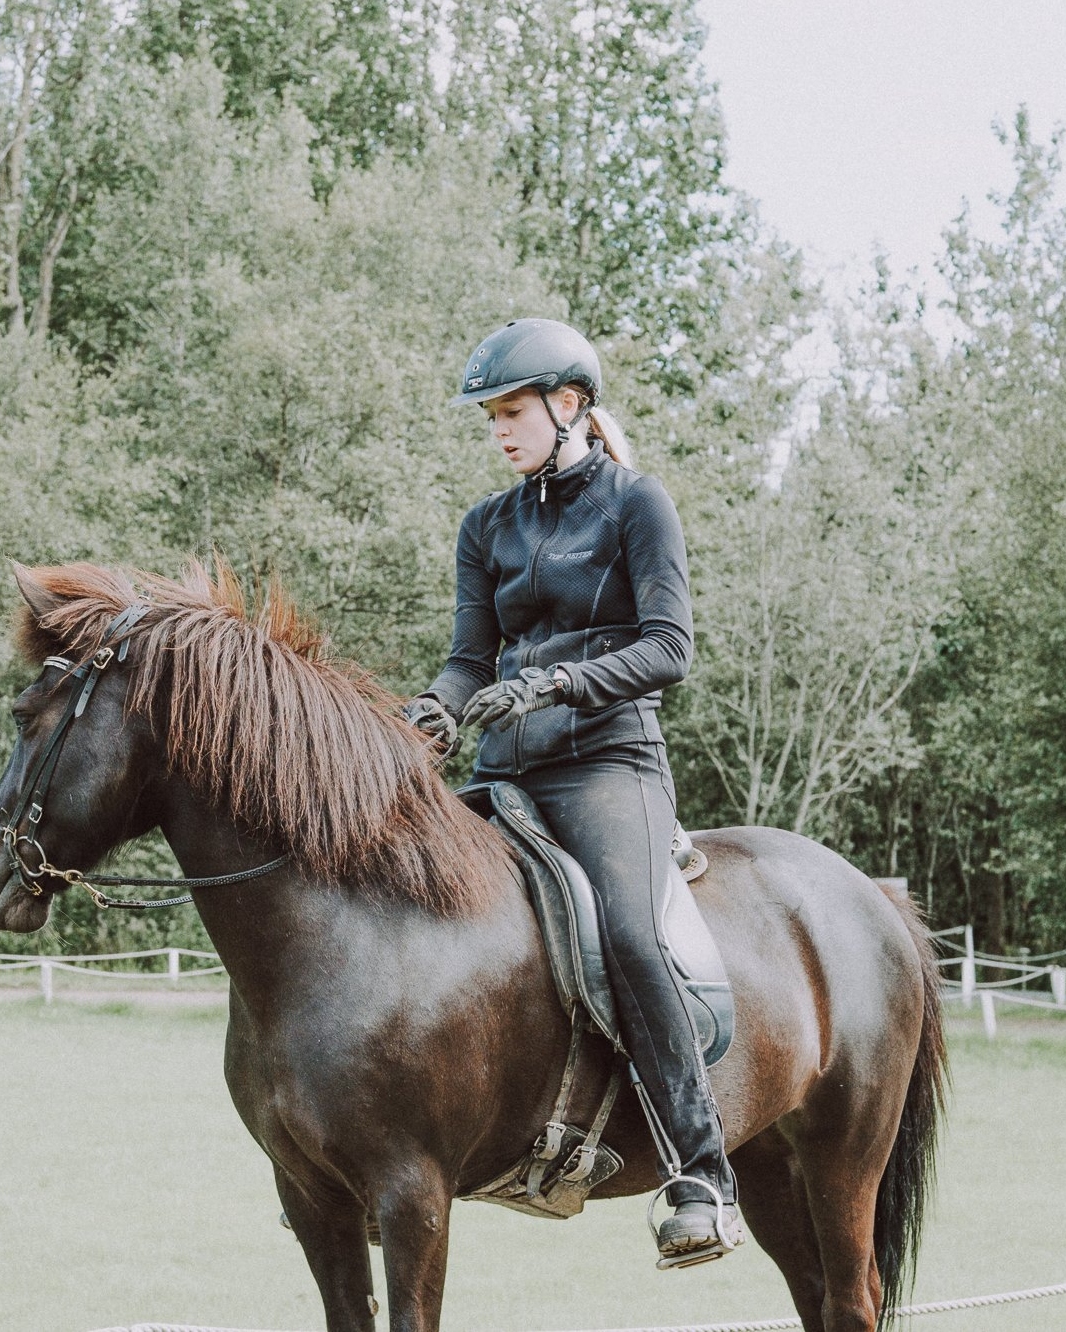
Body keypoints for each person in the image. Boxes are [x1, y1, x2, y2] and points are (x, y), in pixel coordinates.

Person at [401, 317, 741, 1268]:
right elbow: (471, 659)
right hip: (504, 766)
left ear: (570, 404)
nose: (500, 432)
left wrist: (558, 683)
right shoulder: (487, 524)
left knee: (628, 932)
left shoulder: (639, 505)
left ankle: (701, 1176)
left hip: (607, 762)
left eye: (512, 412)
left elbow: (670, 649)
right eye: (492, 418)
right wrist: (434, 707)